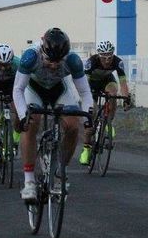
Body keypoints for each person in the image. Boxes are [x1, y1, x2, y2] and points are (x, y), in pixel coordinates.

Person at [13, 27, 94, 200]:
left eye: (59, 61)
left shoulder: (73, 60)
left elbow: (85, 93)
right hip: (33, 89)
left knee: (73, 126)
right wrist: (22, 115)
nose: (54, 65)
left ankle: (59, 173)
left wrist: (88, 117)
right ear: (42, 51)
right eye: (50, 60)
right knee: (31, 123)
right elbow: (18, 89)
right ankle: (29, 182)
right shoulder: (31, 56)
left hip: (59, 89)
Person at [79, 40, 133, 165]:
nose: (107, 60)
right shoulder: (91, 62)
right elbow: (84, 85)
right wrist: (86, 99)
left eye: (110, 56)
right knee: (92, 114)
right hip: (91, 85)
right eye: (104, 57)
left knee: (113, 94)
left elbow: (123, 83)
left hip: (107, 81)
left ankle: (109, 123)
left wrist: (126, 99)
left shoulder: (117, 62)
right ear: (99, 55)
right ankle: (86, 150)